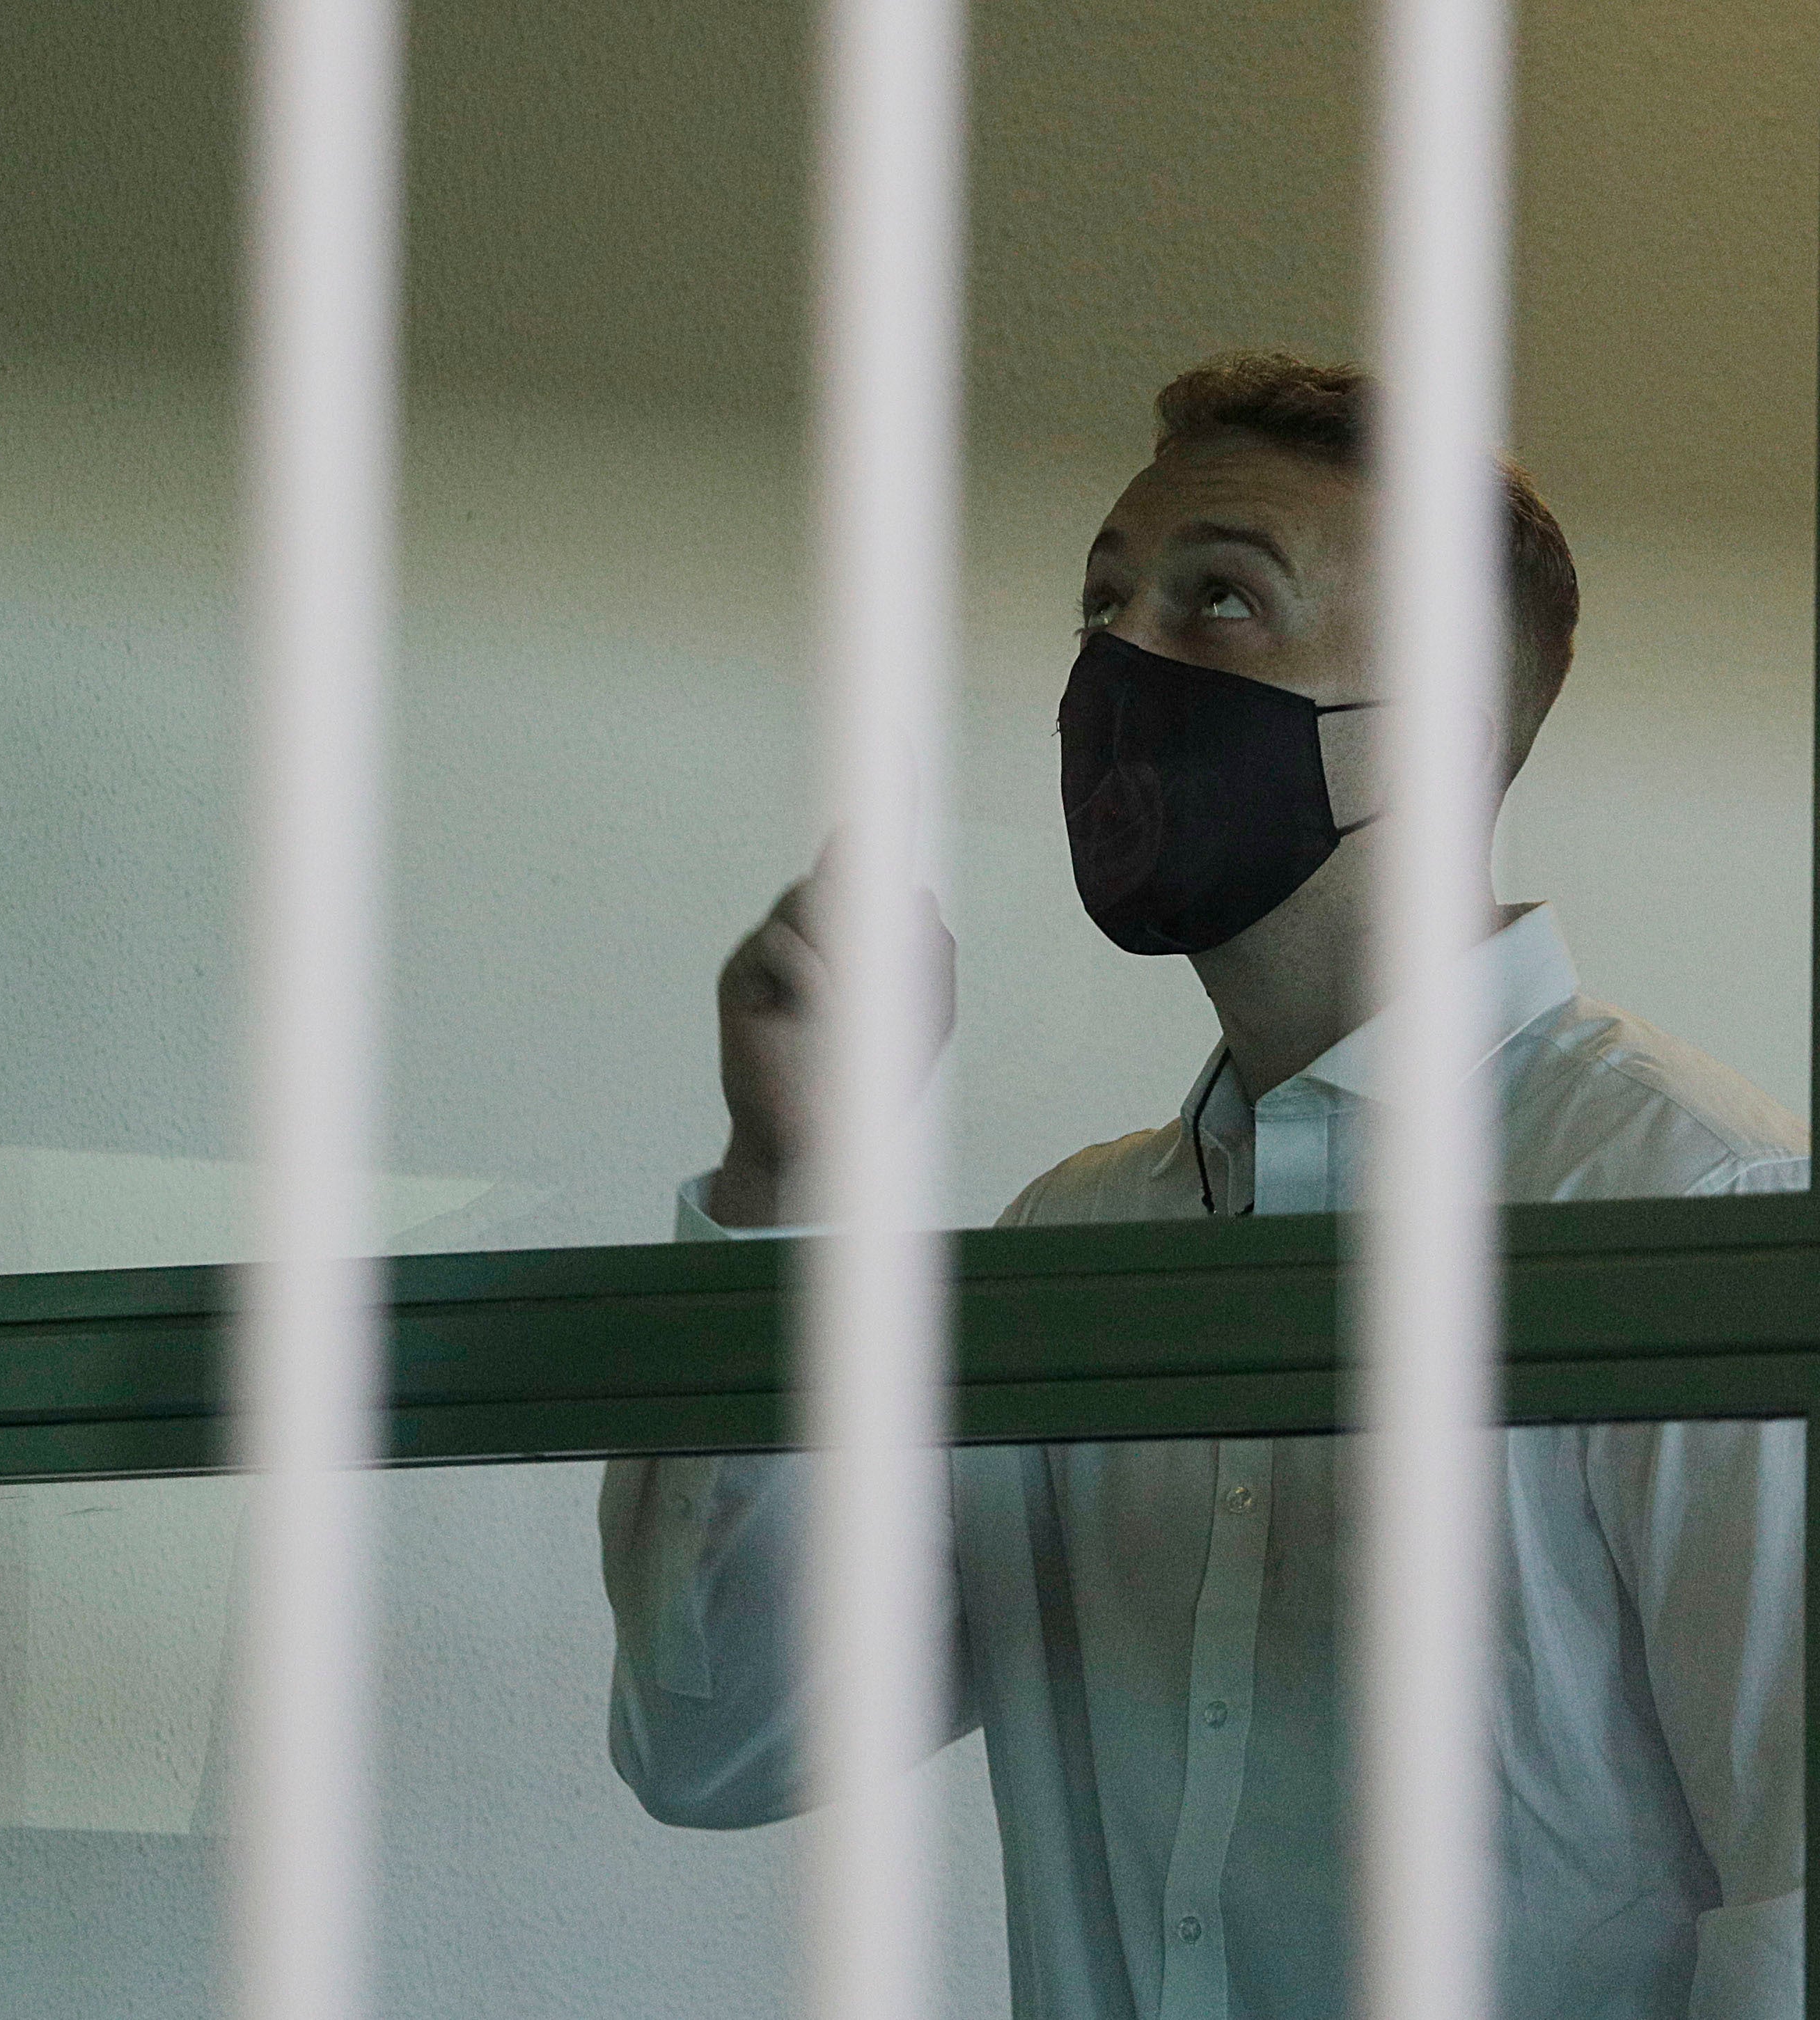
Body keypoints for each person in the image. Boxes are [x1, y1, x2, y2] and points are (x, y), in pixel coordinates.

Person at [601, 354, 1806, 2019]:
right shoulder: (1074, 1251)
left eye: (1218, 597)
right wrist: (787, 1180)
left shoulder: (1694, 1211)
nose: (1116, 662)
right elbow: (718, 1734)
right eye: (1102, 602)